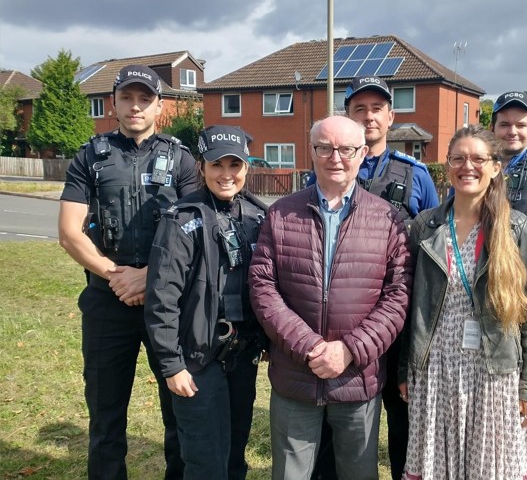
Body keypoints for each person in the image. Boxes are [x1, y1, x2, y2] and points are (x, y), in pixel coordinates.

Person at [248, 115, 413, 480]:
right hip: (296, 374)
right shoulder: (280, 214)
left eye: (346, 149)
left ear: (362, 153)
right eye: (325, 148)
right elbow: (263, 287)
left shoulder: (386, 218)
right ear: (312, 152)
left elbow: (398, 295)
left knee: (358, 473)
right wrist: (309, 346)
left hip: (358, 378)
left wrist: (350, 350)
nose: (335, 157)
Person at [58, 64, 198, 479]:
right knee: (105, 413)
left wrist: (149, 276)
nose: (135, 106)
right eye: (127, 98)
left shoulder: (182, 160)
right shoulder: (90, 157)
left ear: (159, 105)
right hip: (106, 300)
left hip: (167, 303)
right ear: (114, 102)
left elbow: (195, 230)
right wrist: (115, 275)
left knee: (179, 411)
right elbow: (69, 232)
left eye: (145, 99)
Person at [308, 75, 439, 480]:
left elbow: (434, 244)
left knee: (402, 421)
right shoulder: (330, 165)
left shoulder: (415, 175)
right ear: (347, 114)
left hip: (397, 321)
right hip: (343, 325)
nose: (368, 116)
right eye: (359, 109)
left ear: (390, 116)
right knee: (335, 424)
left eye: (376, 108)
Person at [398, 125, 527, 479]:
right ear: (447, 166)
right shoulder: (426, 225)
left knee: (490, 467)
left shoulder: (516, 227)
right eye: (459, 158)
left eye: (479, 158)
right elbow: (410, 304)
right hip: (435, 367)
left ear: (495, 167)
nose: (468, 166)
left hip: (492, 368)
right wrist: (404, 368)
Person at [144, 125, 268, 479]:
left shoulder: (259, 217)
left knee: (234, 456)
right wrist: (172, 364)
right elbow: (161, 298)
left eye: (235, 165)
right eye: (217, 165)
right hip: (196, 360)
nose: (226, 174)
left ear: (247, 168)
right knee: (204, 462)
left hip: (242, 357)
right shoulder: (181, 219)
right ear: (202, 166)